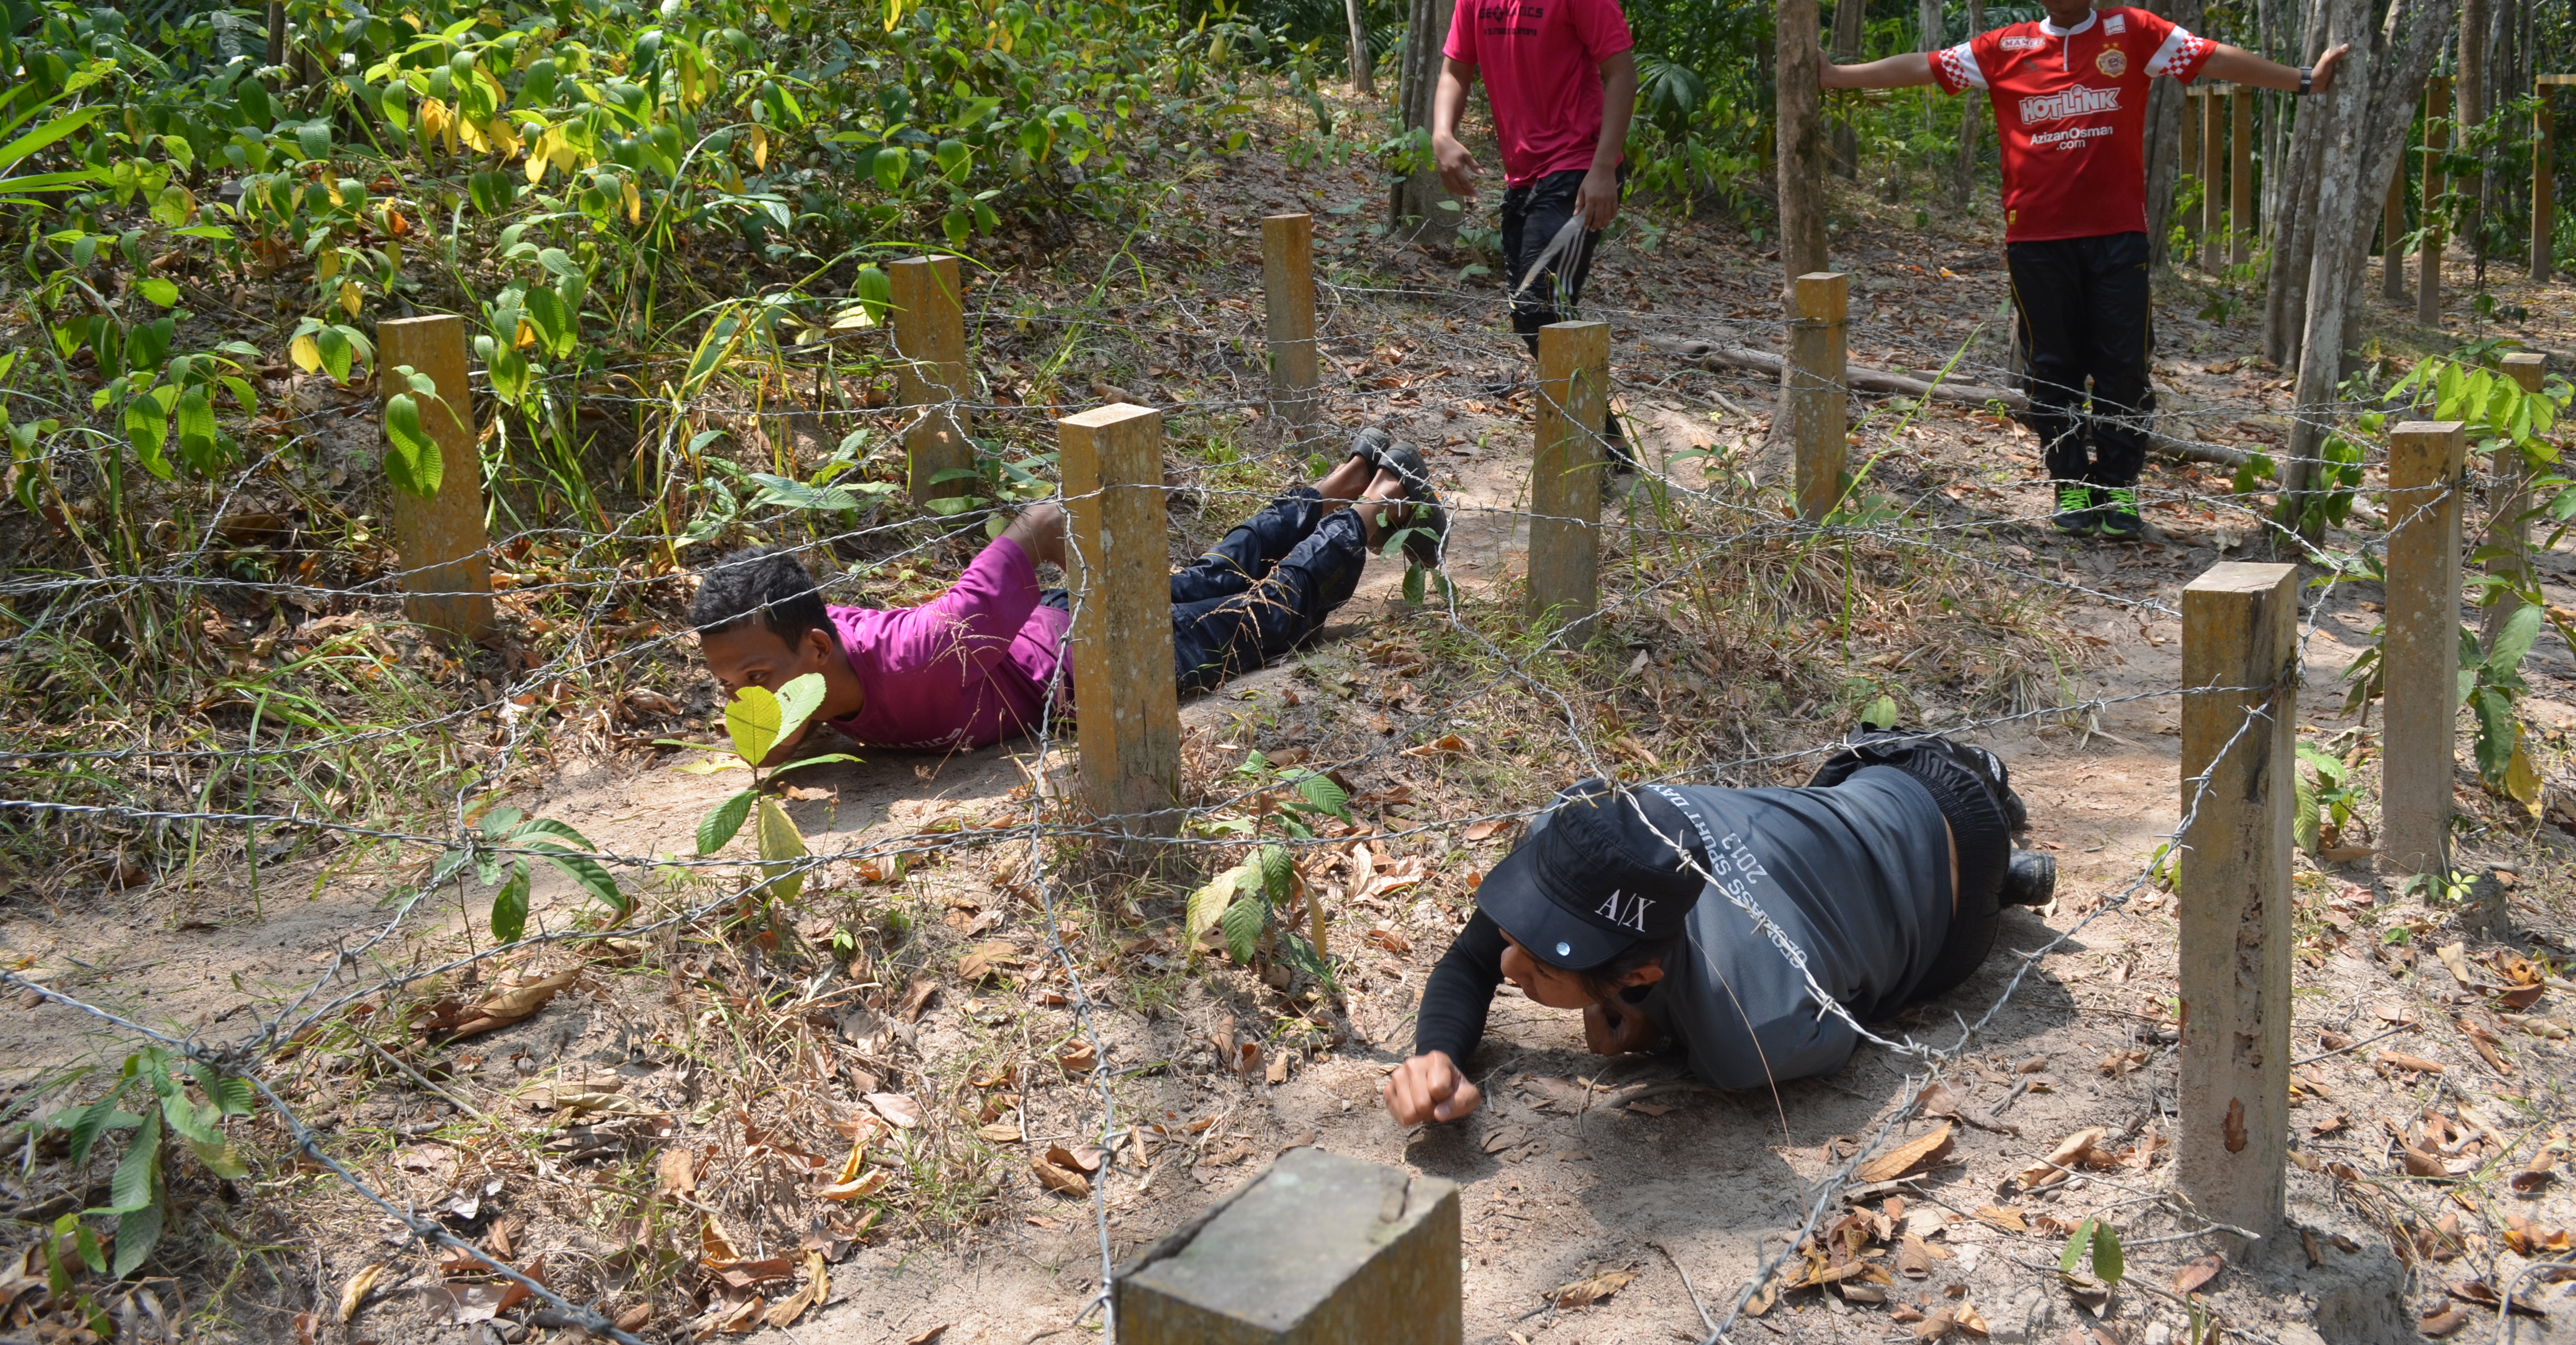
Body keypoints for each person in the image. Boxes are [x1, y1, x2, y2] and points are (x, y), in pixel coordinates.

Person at [1819, 0, 2350, 539]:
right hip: (2035, 239)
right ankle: (2070, 486)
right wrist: (1836, 77)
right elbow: (1924, 67)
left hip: (2117, 237)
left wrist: (2304, 80)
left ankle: (2118, 490)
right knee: (2053, 367)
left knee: (2123, 365)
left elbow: (2212, 60)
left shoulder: (2133, 34)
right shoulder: (2004, 47)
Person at [1381, 736, 2055, 1125]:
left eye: (1543, 968)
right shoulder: (1582, 836)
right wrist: (1437, 1054)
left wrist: (1661, 1033)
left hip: (1942, 874)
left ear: (1640, 974)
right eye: (1522, 944)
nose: (1506, 965)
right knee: (1835, 784)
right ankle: (2010, 873)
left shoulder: (1750, 1037)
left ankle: (1999, 840)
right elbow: (1471, 960)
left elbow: (1852, 1015)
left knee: (1963, 808)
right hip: (1847, 807)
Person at [689, 432, 1445, 758]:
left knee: (1264, 617)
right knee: (1218, 578)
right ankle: (1347, 476)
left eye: (755, 679)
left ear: (817, 648)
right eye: (728, 687)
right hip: (1052, 629)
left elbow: (1042, 524)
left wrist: (1101, 538)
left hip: (1078, 671)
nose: (742, 701)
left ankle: (1375, 506)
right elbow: (768, 744)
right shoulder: (810, 666)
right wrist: (768, 723)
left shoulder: (923, 646)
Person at [1431, 0, 1640, 466]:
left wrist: (1604, 167)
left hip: (1577, 170)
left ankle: (1586, 463)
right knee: (1539, 317)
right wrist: (1441, 135)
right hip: (1524, 174)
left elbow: (1621, 74)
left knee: (1537, 307)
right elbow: (1454, 71)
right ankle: (1607, 452)